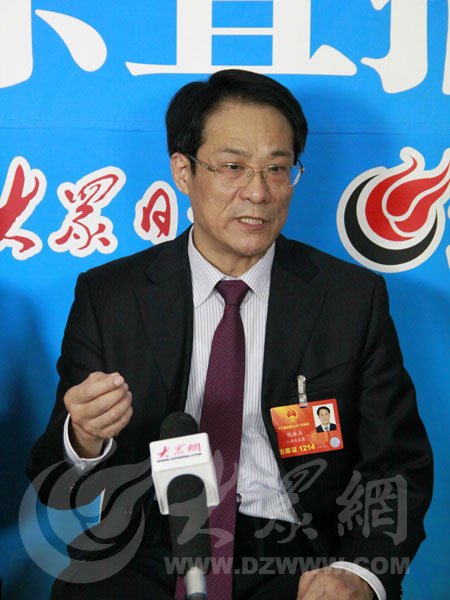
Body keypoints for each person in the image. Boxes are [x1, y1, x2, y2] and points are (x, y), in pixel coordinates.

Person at [27, 69, 433, 600]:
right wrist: (84, 437)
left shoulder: (349, 299)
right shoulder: (112, 296)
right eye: (233, 167)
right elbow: (53, 480)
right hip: (146, 546)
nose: (258, 193)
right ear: (183, 170)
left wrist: (360, 573)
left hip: (295, 555)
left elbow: (396, 467)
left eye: (277, 168)